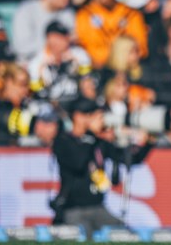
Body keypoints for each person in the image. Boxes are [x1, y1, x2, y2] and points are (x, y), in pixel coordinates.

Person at [51, 97, 153, 237]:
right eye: (91, 115)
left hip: (98, 207)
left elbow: (130, 159)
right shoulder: (63, 141)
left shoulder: (98, 142)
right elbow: (78, 163)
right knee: (84, 238)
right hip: (73, 209)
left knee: (124, 235)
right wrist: (91, 134)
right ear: (78, 116)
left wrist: (149, 142)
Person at [76, 0, 149, 68]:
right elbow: (85, 45)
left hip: (127, 66)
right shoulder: (85, 14)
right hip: (97, 67)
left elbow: (141, 47)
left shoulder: (130, 13)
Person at [11, 0, 76, 62]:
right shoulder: (26, 10)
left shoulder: (67, 13)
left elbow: (73, 38)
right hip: (30, 63)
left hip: (61, 62)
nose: (66, 1)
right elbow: (21, 47)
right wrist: (51, 45)